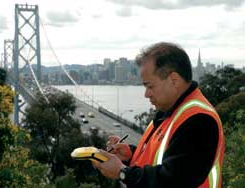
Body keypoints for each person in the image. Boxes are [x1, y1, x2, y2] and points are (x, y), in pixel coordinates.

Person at [94, 42, 225, 188]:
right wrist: (132, 154)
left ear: (174, 80)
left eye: (150, 86)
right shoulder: (170, 112)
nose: (146, 94)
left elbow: (174, 180)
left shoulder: (199, 120)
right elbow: (166, 159)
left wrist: (122, 172)